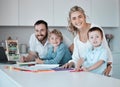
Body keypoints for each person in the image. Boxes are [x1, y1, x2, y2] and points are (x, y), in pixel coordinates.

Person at [62, 5, 112, 76]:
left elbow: (106, 49)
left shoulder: (95, 29)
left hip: (102, 72)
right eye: (74, 18)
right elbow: (76, 58)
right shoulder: (76, 39)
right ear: (71, 21)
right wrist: (70, 63)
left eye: (80, 17)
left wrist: (109, 66)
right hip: (87, 73)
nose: (78, 20)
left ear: (84, 17)